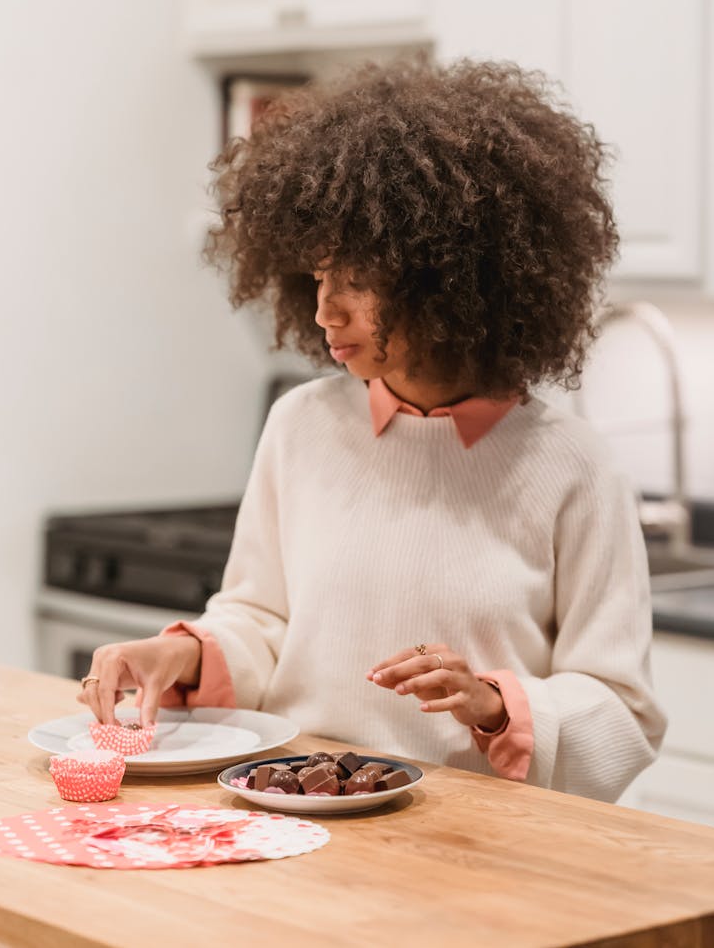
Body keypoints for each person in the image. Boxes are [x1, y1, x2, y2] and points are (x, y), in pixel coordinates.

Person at [78, 56, 666, 801]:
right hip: (296, 815)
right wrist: (184, 655)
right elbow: (263, 619)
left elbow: (624, 708)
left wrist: (494, 702)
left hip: (481, 849)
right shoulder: (302, 425)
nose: (326, 310)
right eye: (318, 277)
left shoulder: (572, 466)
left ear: (451, 276)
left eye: (357, 280)